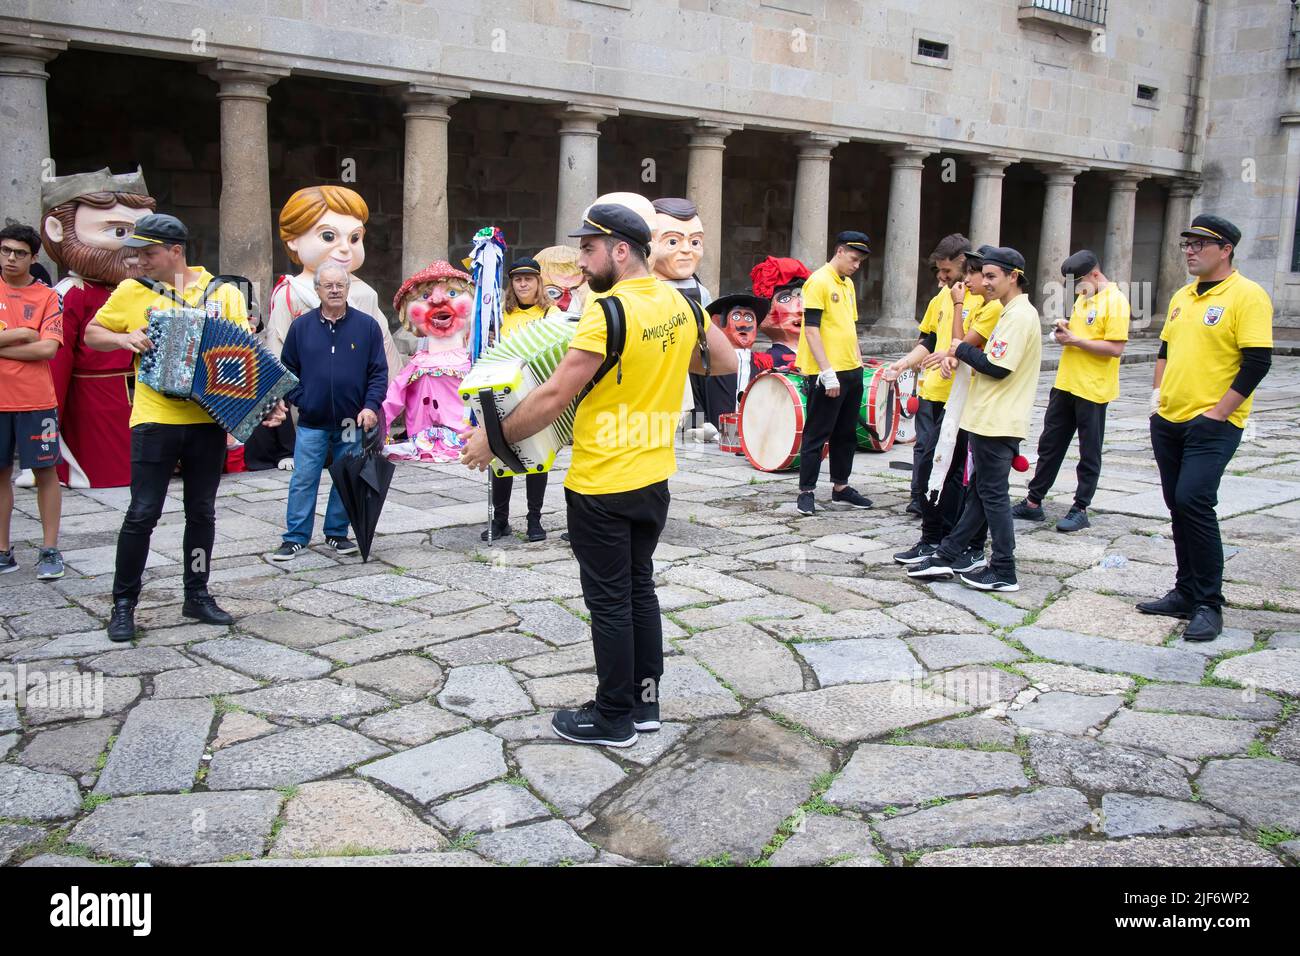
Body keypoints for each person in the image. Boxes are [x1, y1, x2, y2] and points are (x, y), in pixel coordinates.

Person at [460, 202, 738, 747]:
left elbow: (557, 393)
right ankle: (645, 705)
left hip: (602, 482)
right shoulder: (679, 302)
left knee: (611, 602)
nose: (579, 262)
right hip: (654, 475)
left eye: (588, 249)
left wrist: (491, 439)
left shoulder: (605, 310)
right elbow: (724, 361)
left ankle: (613, 717)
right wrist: (663, 363)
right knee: (640, 592)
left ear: (619, 250)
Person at [84, 214, 286, 641]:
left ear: (176, 251)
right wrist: (123, 339)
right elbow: (92, 334)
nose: (139, 261)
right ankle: (124, 604)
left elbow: (245, 352)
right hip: (155, 417)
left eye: (149, 253)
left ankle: (196, 593)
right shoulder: (131, 291)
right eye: (136, 253)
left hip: (207, 421)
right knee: (142, 513)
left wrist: (269, 402)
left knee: (202, 512)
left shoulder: (224, 293)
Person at [1137, 215, 1272, 642]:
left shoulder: (1247, 295)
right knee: (1177, 505)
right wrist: (1157, 398)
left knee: (1194, 501)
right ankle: (1185, 589)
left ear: (1225, 249)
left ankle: (1209, 603)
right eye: (1187, 244)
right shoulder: (1182, 296)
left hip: (1212, 423)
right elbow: (1165, 347)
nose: (1190, 250)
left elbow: (1257, 362)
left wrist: (1219, 412)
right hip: (1170, 418)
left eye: (1200, 244)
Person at [908, 247, 1042, 591]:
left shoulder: (1018, 316)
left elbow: (997, 366)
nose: (985, 282)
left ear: (1014, 277)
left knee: (992, 496)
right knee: (982, 495)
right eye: (984, 275)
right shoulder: (1010, 312)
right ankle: (948, 554)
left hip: (999, 419)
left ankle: (1003, 568)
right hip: (988, 417)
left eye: (993, 276)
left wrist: (960, 350)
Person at [889, 244, 999, 569]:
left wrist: (954, 348)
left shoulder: (986, 302)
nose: (942, 277)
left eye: (948, 271)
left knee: (952, 474)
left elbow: (961, 346)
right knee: (929, 467)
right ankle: (933, 538)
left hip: (963, 399)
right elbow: (929, 341)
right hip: (934, 394)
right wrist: (904, 363)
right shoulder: (943, 298)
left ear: (966, 268)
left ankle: (948, 541)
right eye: (939, 271)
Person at [270, 263, 386, 561]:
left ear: (348, 289)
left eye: (340, 285)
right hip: (312, 420)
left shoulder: (367, 326)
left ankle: (336, 533)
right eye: (328, 285)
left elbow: (378, 373)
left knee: (346, 477)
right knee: (304, 479)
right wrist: (302, 399)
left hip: (352, 420)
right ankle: (295, 537)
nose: (335, 290)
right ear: (317, 289)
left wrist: (371, 406)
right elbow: (287, 372)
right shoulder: (302, 327)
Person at [1012, 250, 1130, 533]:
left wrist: (1075, 340)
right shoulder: (1083, 298)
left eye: (1078, 283)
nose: (1074, 289)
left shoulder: (1116, 301)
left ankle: (1081, 507)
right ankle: (1033, 502)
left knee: (1089, 451)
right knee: (1050, 444)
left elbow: (1115, 348)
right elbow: (1081, 336)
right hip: (1066, 383)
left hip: (1094, 388)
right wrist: (1066, 330)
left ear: (1095, 275)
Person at [0, 224, 65, 579]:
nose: (11, 258)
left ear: (33, 257)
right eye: (6, 250)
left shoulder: (48, 297)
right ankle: (2, 551)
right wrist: (24, 334)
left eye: (19, 253)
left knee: (45, 471)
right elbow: (34, 343)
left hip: (35, 399)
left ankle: (50, 549)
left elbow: (48, 348)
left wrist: (17, 339)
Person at [793, 231, 873, 515]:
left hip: (851, 369)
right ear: (839, 251)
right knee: (817, 433)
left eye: (860, 261)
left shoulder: (848, 284)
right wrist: (826, 372)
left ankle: (841, 487)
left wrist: (859, 363)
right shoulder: (818, 281)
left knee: (846, 434)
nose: (856, 265)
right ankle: (806, 491)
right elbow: (811, 329)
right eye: (853, 259)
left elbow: (850, 327)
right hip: (827, 372)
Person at [483, 257, 551, 542]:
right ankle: (501, 520)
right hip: (504, 393)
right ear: (512, 283)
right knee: (501, 455)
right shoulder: (499, 316)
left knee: (538, 456)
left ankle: (534, 519)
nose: (523, 283)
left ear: (538, 282)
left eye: (529, 278)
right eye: (518, 279)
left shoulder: (551, 315)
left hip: (538, 391)